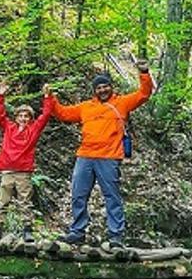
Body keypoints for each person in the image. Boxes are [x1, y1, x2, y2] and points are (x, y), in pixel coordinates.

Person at [50, 60, 153, 247]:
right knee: (78, 194)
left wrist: (144, 72)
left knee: (112, 196)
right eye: (99, 87)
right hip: (85, 156)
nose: (103, 90)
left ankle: (115, 236)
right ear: (94, 90)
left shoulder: (122, 103)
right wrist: (50, 99)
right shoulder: (85, 107)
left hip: (109, 157)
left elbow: (144, 94)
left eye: (106, 86)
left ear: (111, 88)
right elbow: (63, 114)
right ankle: (77, 232)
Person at [0, 82, 53, 243]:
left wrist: (47, 97)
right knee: (3, 200)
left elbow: (45, 116)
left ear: (30, 118)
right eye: (20, 116)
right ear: (16, 117)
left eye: (26, 116)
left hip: (23, 171)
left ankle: (27, 230)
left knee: (25, 202)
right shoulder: (9, 127)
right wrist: (1, 95)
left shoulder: (33, 129)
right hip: (7, 170)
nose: (23, 119)